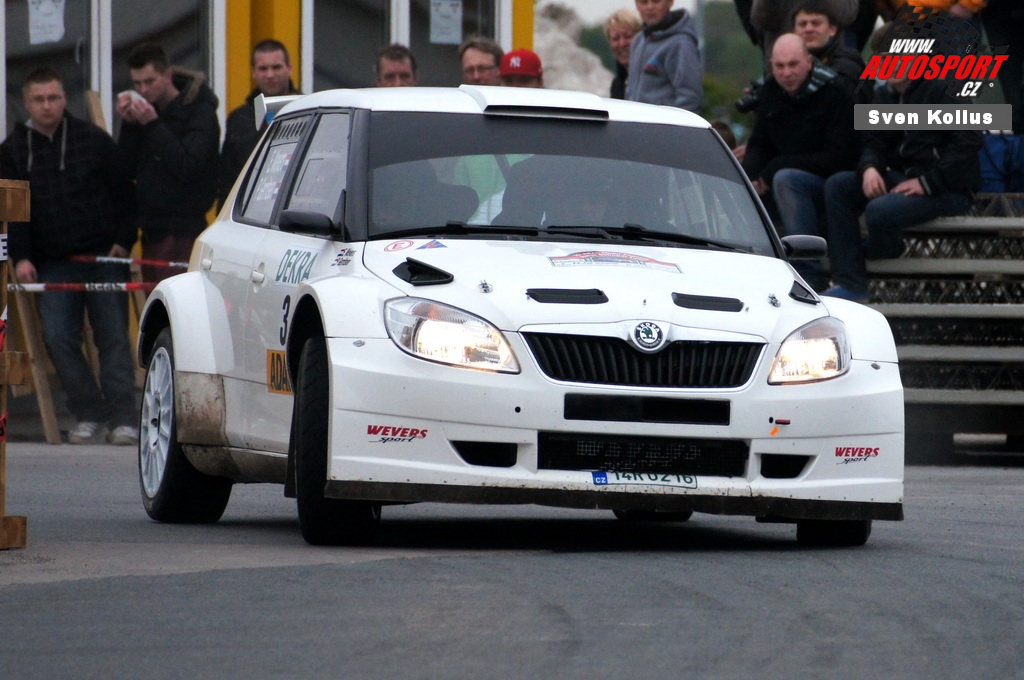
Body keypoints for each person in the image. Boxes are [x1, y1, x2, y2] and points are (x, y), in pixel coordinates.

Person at [1, 68, 139, 445]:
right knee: (59, 338)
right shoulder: (12, 150)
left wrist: (124, 242)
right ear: (26, 103)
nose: (47, 106)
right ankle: (88, 412)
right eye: (39, 99)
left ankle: (123, 418)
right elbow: (13, 212)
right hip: (52, 262)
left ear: (64, 99)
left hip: (103, 257)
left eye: (54, 98)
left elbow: (125, 193)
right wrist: (22, 257)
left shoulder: (93, 140)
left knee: (113, 337)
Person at [823, 74, 982, 301]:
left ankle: (882, 250)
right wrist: (870, 167)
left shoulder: (946, 88)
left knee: (878, 210)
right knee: (838, 186)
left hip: (950, 188)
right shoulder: (882, 95)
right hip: (902, 177)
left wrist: (929, 182)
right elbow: (872, 141)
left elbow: (968, 141)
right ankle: (850, 284)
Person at [741, 34, 858, 291]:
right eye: (780, 66)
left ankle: (806, 273)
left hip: (828, 182)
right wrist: (750, 176)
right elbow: (759, 143)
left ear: (809, 62)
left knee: (786, 179)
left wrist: (773, 169)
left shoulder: (836, 93)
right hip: (781, 180)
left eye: (793, 64)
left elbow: (839, 157)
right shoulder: (771, 91)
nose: (787, 73)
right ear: (771, 66)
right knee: (742, 187)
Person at [117, 43, 220, 284]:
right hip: (151, 229)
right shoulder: (144, 113)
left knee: (178, 300)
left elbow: (189, 165)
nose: (144, 90)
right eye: (137, 84)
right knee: (155, 301)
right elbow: (125, 170)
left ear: (168, 75)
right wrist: (129, 125)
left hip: (185, 230)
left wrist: (153, 125)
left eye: (150, 81)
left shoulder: (200, 112)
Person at [218, 39, 300, 209]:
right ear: (253, 72)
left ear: (289, 69)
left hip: (294, 207)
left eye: (276, 67)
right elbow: (228, 178)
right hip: (249, 210)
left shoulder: (306, 110)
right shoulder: (239, 119)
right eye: (263, 68)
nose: (270, 75)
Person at [625, 0, 703, 113]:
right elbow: (630, 91)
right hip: (636, 121)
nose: (650, 7)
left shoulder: (681, 44)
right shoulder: (638, 41)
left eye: (656, 1)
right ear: (637, 4)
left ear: (670, 2)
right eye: (644, 2)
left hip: (665, 122)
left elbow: (690, 97)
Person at [792, 0, 870, 103]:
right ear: (794, 31)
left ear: (832, 30)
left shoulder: (846, 71)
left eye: (816, 23)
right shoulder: (785, 67)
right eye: (802, 24)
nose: (808, 29)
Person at [603, 8, 643, 99]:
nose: (622, 44)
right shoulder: (617, 85)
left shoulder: (655, 78)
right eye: (615, 38)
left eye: (628, 36)